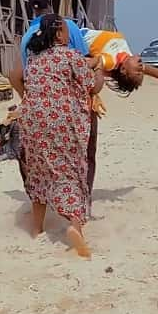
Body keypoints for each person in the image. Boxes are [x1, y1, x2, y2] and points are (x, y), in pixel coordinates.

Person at [19, 14, 105, 258]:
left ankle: (36, 229)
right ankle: (75, 227)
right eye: (67, 30)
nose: (70, 34)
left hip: (32, 122)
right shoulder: (70, 56)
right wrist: (99, 68)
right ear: (58, 35)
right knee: (70, 172)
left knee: (39, 171)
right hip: (61, 123)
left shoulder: (34, 60)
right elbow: (93, 87)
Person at [80, 28, 158, 108]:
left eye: (137, 71)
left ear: (124, 70)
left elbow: (91, 64)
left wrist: (93, 91)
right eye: (141, 70)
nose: (141, 67)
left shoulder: (111, 61)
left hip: (76, 35)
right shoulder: (126, 57)